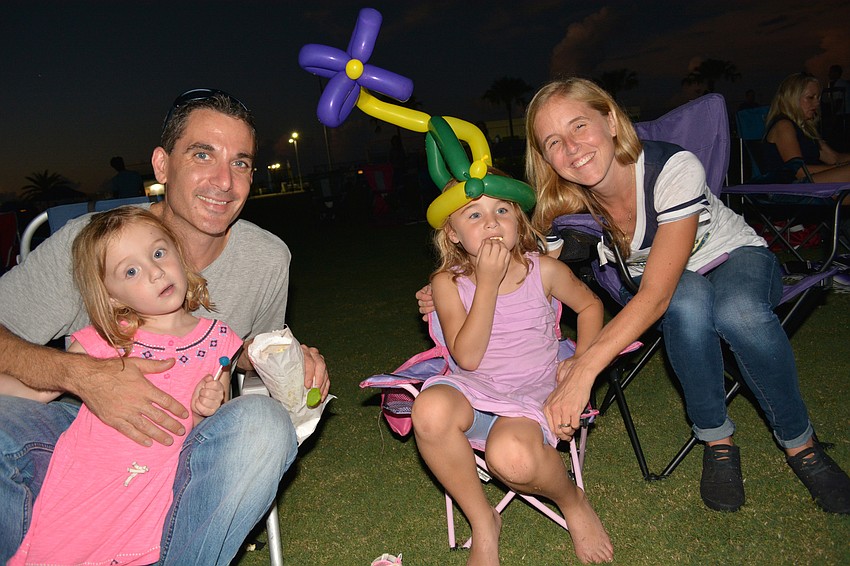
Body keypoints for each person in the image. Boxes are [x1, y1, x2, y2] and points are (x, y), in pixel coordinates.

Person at [417, 77, 850, 515]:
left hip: (732, 257)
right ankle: (717, 439)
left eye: (580, 126)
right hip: (670, 287)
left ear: (610, 120)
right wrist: (454, 288)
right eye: (553, 141)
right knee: (688, 302)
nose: (572, 148)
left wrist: (584, 369)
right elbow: (521, 265)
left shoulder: (673, 168)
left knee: (737, 311)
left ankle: (802, 445)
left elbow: (655, 296)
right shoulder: (566, 200)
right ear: (545, 156)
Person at [0, 88, 330, 563]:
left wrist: (285, 363)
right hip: (82, 432)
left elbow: (251, 372)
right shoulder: (90, 245)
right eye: (203, 154)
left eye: (240, 162)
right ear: (161, 165)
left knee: (264, 425)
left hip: (190, 438)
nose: (223, 181)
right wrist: (81, 375)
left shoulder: (267, 258)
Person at [9, 207, 242, 564]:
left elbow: (212, 434)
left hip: (154, 496)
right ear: (113, 296)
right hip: (87, 491)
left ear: (178, 253)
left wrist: (206, 406)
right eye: (131, 271)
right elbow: (40, 390)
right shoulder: (104, 341)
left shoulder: (218, 341)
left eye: (159, 253)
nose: (154, 271)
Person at [412, 175, 612, 564]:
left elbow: (590, 306)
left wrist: (580, 362)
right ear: (452, 234)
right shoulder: (445, 283)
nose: (491, 222)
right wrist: (485, 284)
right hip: (472, 389)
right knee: (429, 409)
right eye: (474, 214)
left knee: (513, 459)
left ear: (518, 220)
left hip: (532, 392)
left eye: (501, 210)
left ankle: (573, 502)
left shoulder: (545, 271)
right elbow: (467, 358)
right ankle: (484, 522)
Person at [763, 72, 850, 184]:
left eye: (818, 97)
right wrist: (840, 170)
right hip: (789, 188)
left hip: (808, 183)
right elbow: (799, 171)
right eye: (810, 97)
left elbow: (835, 158)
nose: (817, 103)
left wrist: (840, 167)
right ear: (791, 97)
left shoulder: (806, 129)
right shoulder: (783, 126)